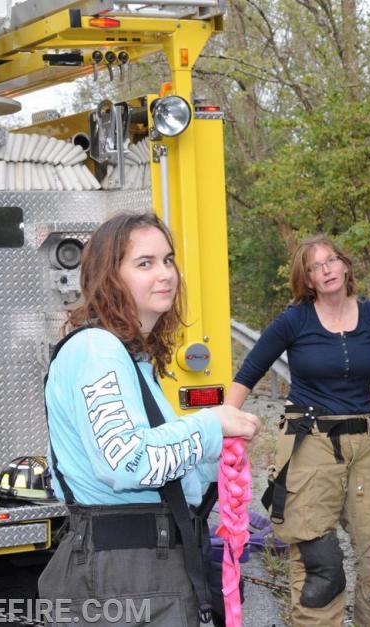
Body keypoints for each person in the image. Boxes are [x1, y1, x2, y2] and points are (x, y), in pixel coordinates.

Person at [38, 212, 260, 627]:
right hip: (122, 573)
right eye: (145, 263)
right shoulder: (97, 351)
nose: (166, 274)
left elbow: (164, 469)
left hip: (141, 566)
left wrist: (218, 455)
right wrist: (211, 426)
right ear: (110, 277)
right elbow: (128, 463)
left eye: (168, 260)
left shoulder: (128, 357)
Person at [225, 235, 370, 626]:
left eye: (331, 261)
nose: (326, 270)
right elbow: (249, 371)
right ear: (308, 280)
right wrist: (224, 423)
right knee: (320, 565)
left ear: (346, 266)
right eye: (315, 266)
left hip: (364, 444)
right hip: (310, 442)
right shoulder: (295, 320)